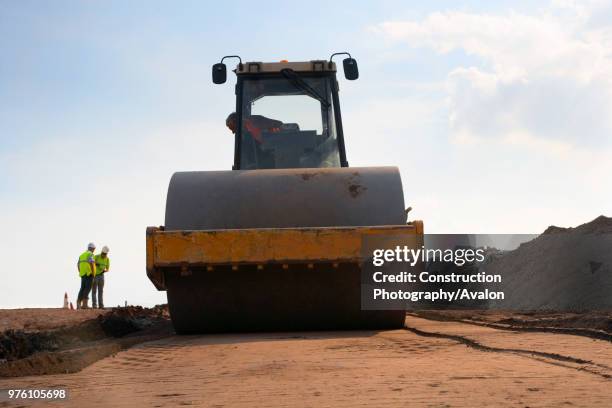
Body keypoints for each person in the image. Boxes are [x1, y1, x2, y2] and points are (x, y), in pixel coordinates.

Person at [76, 243, 96, 309]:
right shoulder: (90, 254)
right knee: (87, 289)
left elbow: (78, 265)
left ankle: (78, 303)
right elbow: (92, 264)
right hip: (89, 273)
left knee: (82, 288)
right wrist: (93, 273)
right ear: (92, 249)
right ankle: (85, 305)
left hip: (83, 274)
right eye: (94, 249)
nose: (94, 250)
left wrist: (80, 271)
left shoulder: (82, 255)